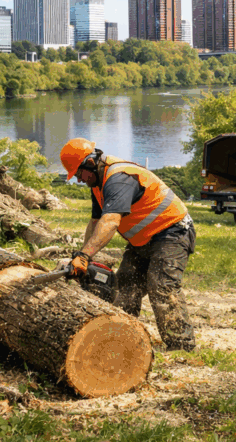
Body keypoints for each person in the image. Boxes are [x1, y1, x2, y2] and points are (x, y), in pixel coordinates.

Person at [61, 138, 197, 351]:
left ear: (89, 162)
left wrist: (86, 257)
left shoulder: (119, 179)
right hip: (143, 240)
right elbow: (96, 221)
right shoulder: (98, 182)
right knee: (125, 284)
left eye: (79, 175)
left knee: (161, 285)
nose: (79, 180)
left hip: (173, 231)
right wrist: (82, 255)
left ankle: (182, 346)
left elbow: (111, 221)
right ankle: (121, 336)